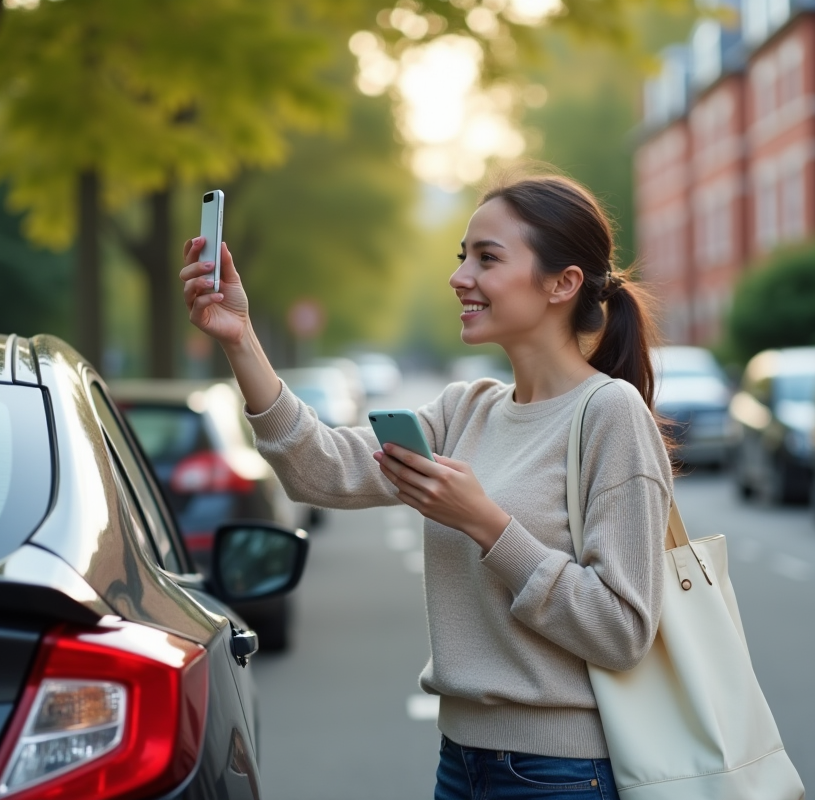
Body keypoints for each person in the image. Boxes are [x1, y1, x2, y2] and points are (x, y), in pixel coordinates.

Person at [180, 172, 673, 800]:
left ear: (563, 283)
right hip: (460, 763)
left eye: (487, 258)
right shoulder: (466, 409)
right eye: (462, 255)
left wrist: (486, 524)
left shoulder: (610, 414)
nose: (460, 276)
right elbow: (320, 468)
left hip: (559, 774)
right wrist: (240, 338)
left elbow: (621, 631)